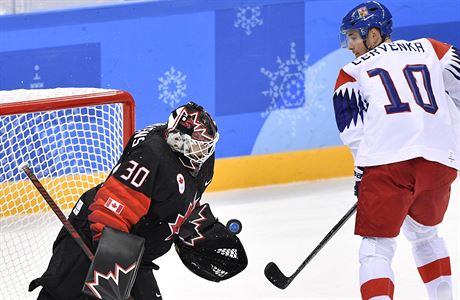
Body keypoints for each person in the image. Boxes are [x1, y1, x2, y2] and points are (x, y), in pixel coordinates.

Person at [29, 102, 246, 299]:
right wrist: (111, 282)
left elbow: (174, 199)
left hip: (134, 250)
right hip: (97, 237)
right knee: (58, 296)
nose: (205, 151)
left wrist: (198, 227)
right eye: (199, 145)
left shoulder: (200, 163)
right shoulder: (152, 158)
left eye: (206, 145)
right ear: (180, 142)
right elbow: (109, 214)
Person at [334, 1, 460, 299]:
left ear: (374, 35)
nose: (350, 45)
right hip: (440, 164)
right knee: (425, 234)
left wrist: (361, 171)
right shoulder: (434, 49)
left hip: (388, 164)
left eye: (354, 36)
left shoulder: (351, 72)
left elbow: (353, 131)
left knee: (376, 247)